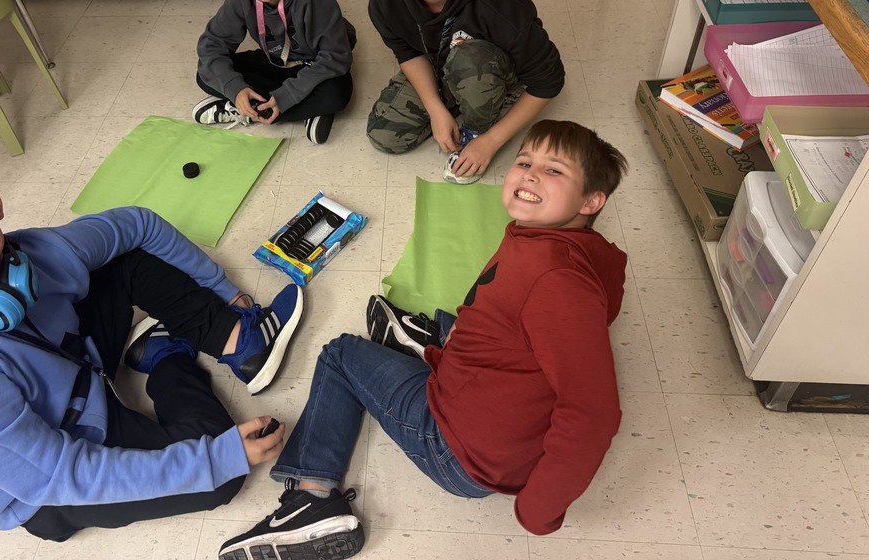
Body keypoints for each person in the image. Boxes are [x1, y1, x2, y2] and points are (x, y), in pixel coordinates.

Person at [218, 120, 629, 559]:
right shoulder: (572, 249)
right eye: (525, 161)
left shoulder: (558, 284)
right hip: (491, 406)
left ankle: (311, 503)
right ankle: (425, 344)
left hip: (460, 453)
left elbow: (593, 413)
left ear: (592, 200)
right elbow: (585, 310)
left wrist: (540, 508)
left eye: (553, 171)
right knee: (465, 322)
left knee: (340, 355)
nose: (528, 173)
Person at [0, 147, 305, 541]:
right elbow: (62, 475)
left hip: (73, 370)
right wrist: (217, 456)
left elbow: (137, 224)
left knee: (122, 260)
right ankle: (167, 357)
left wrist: (228, 295)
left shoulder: (35, 253)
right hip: (41, 488)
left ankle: (238, 340)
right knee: (218, 477)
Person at [366, 0, 565, 184]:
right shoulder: (385, 1)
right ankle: (456, 97)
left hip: (484, 63)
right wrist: (435, 109)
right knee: (386, 134)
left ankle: (491, 105)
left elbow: (549, 81)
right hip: (438, 63)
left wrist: (492, 141)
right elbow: (408, 51)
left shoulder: (498, 0)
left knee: (469, 63)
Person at [193, 0, 356, 145]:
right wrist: (237, 90)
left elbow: (336, 57)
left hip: (316, 64)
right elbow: (212, 45)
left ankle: (248, 110)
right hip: (277, 60)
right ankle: (302, 111)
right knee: (205, 74)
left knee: (338, 93)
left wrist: (287, 95)